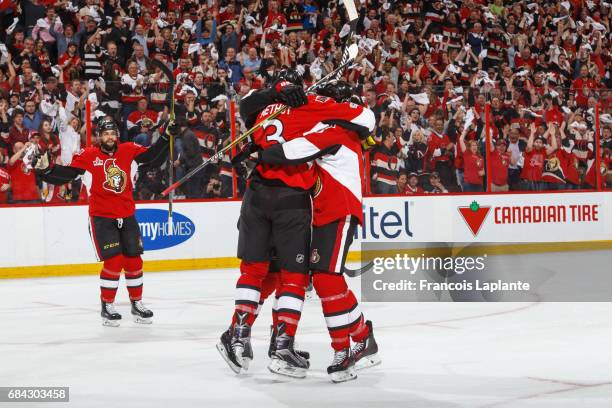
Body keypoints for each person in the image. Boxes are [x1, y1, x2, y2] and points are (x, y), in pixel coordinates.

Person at [254, 80, 380, 383]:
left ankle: (344, 350)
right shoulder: (334, 131)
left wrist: (255, 151)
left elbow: (292, 150)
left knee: (325, 279)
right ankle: (363, 337)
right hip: (324, 216)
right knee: (325, 280)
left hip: (339, 214)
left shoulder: (334, 132)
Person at [217, 69, 312, 376]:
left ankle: (239, 337)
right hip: (291, 200)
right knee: (291, 276)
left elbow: (246, 108)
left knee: (255, 272)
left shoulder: (259, 107)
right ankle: (281, 346)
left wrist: (274, 93)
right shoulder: (307, 107)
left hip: (257, 196)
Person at [34, 118, 173, 326]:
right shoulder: (88, 155)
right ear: (99, 136)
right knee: (114, 262)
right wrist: (47, 171)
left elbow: (152, 157)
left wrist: (165, 136)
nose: (109, 137)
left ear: (117, 135)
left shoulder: (128, 150)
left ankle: (137, 303)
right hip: (102, 217)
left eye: (112, 133)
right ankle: (107, 305)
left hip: (127, 215)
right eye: (105, 134)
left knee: (134, 261)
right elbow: (67, 176)